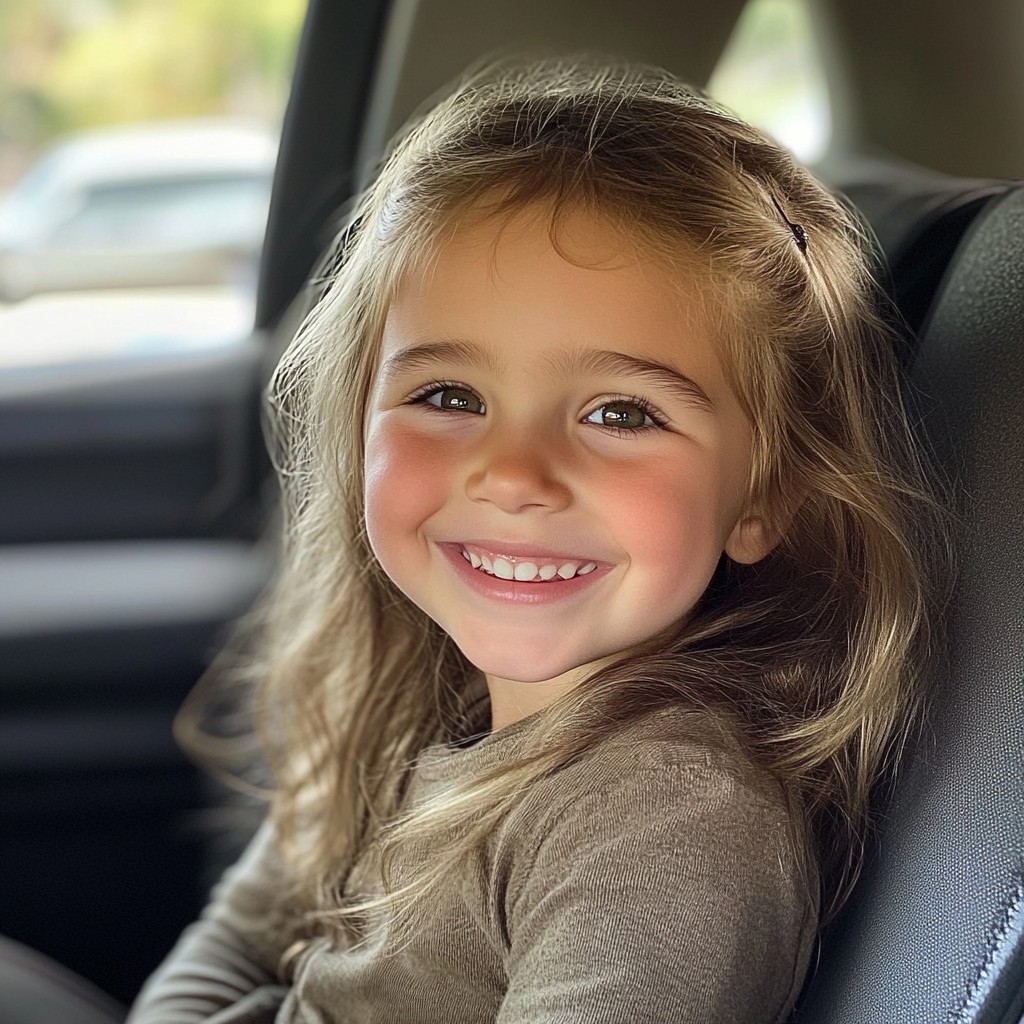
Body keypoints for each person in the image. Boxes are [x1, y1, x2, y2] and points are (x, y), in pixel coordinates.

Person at [127, 59, 940, 1024]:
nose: (513, 474)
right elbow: (232, 944)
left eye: (621, 413)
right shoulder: (414, 693)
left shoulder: (665, 824)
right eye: (449, 397)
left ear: (765, 497)